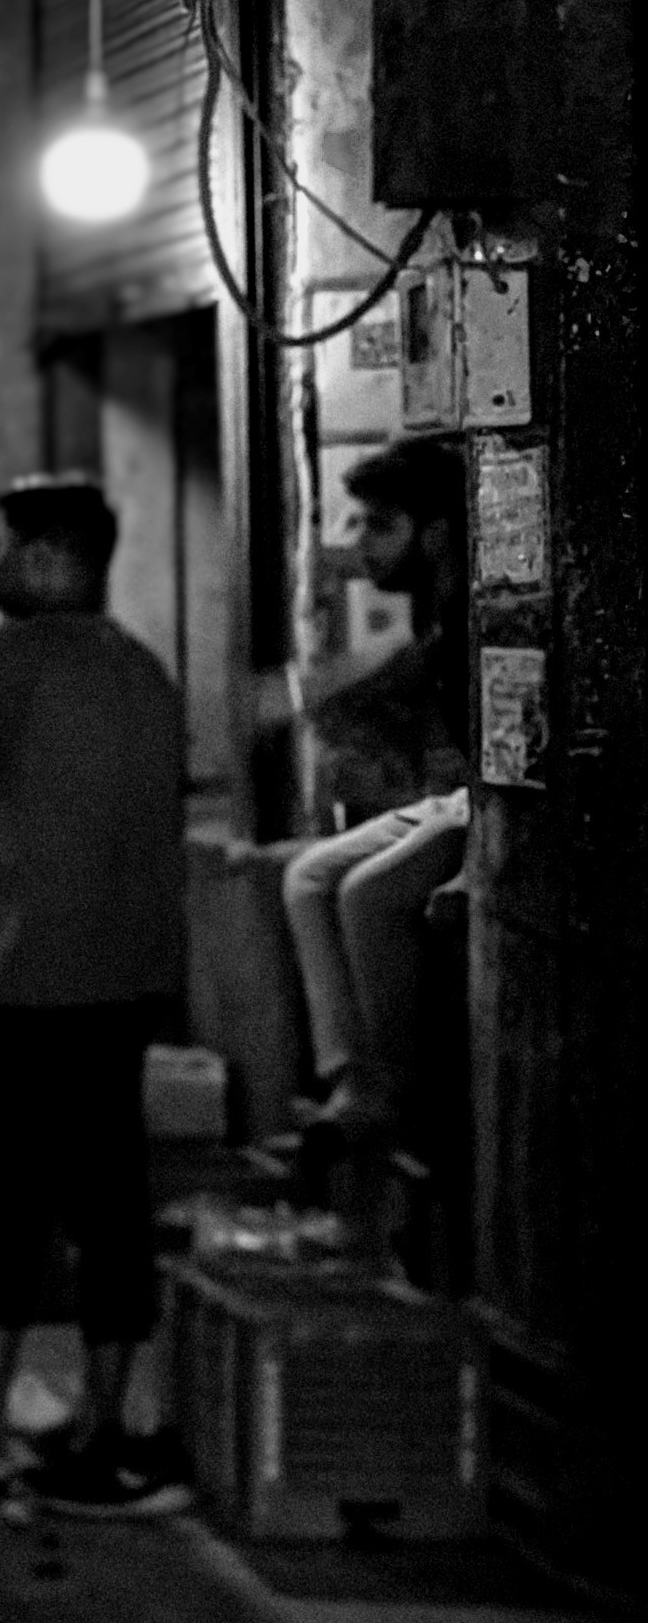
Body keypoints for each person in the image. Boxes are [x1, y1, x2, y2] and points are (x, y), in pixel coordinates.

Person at [0, 475, 189, 1519]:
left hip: (21, 977)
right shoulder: (142, 665)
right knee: (110, 1199)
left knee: (1, 1204)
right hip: (127, 978)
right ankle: (102, 1432)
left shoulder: (15, 656)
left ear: (48, 557)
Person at [280, 436, 471, 1142]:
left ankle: (394, 1092)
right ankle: (350, 1079)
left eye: (381, 525)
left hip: (490, 809)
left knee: (367, 893)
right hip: (459, 802)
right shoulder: (434, 606)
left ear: (438, 532)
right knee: (308, 877)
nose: (360, 544)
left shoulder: (472, 609)